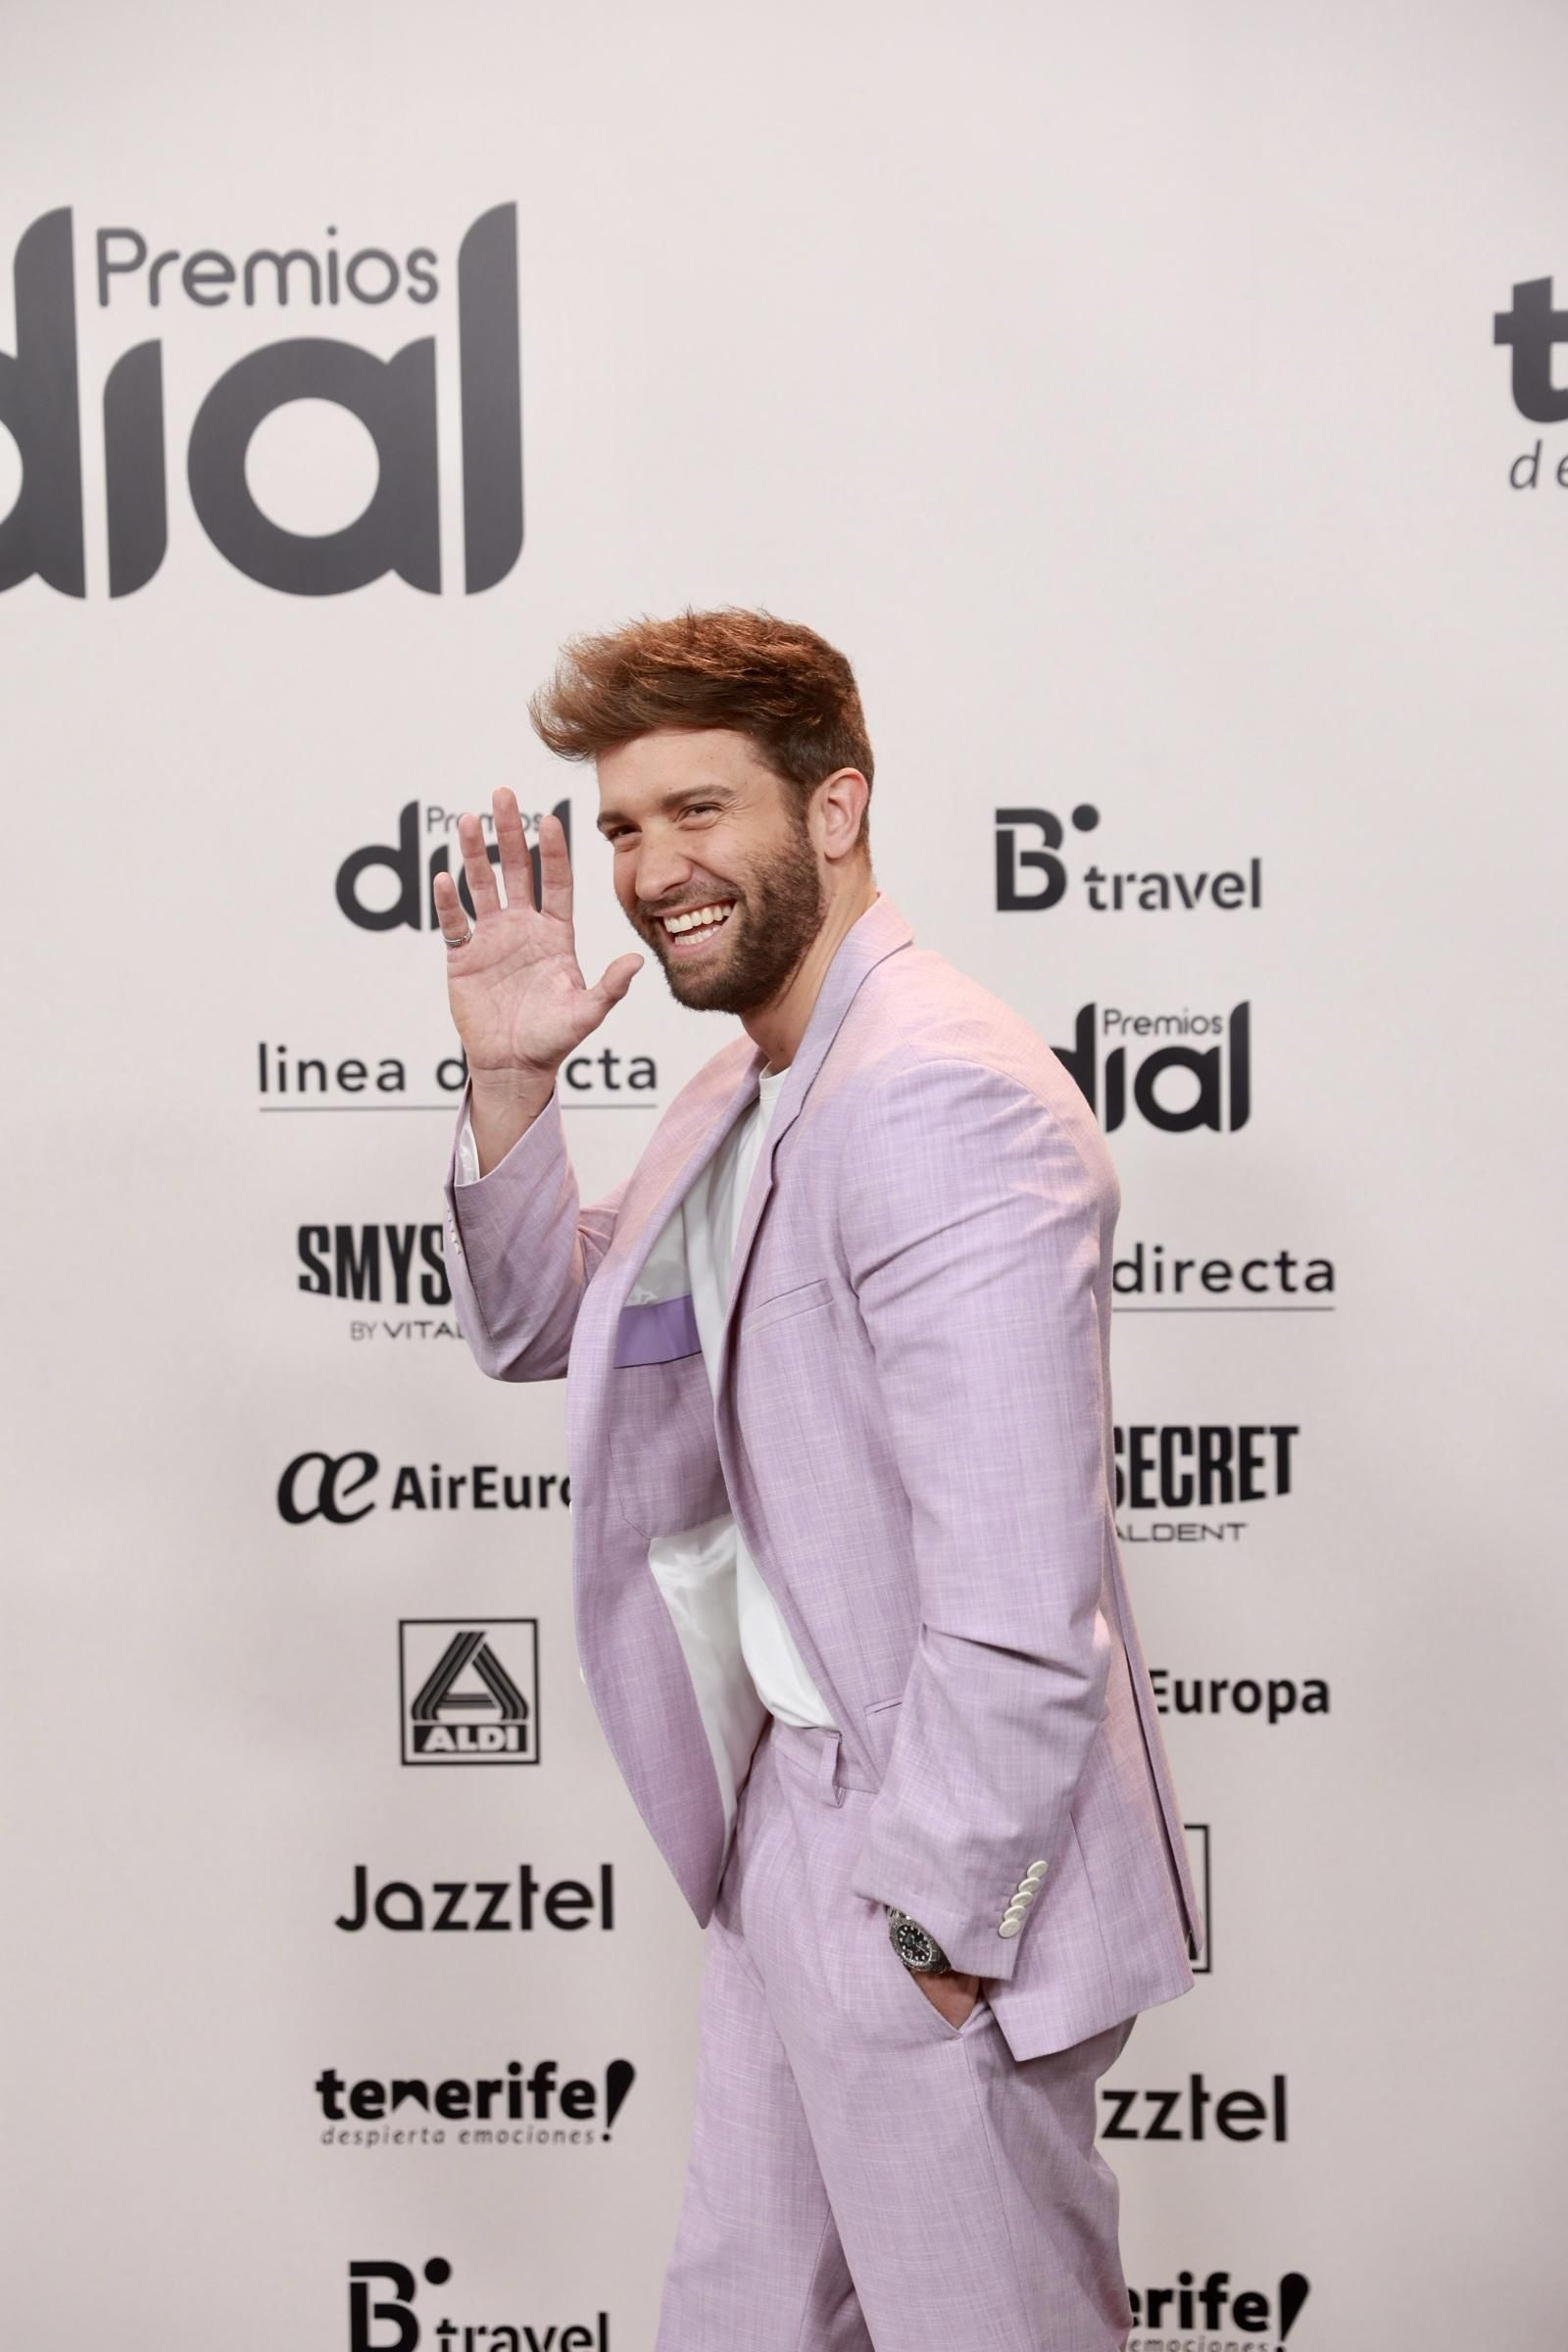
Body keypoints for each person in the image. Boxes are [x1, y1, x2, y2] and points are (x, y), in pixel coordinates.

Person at [437, 609, 1200, 2352]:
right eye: (624, 826)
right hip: (792, 1819)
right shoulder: (753, 1081)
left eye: (699, 812)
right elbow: (547, 1322)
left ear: (836, 808)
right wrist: (509, 1080)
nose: (649, 867)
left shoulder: (938, 1093)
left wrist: (940, 1928)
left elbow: (1022, 1589)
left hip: (926, 1851)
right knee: (743, 2318)